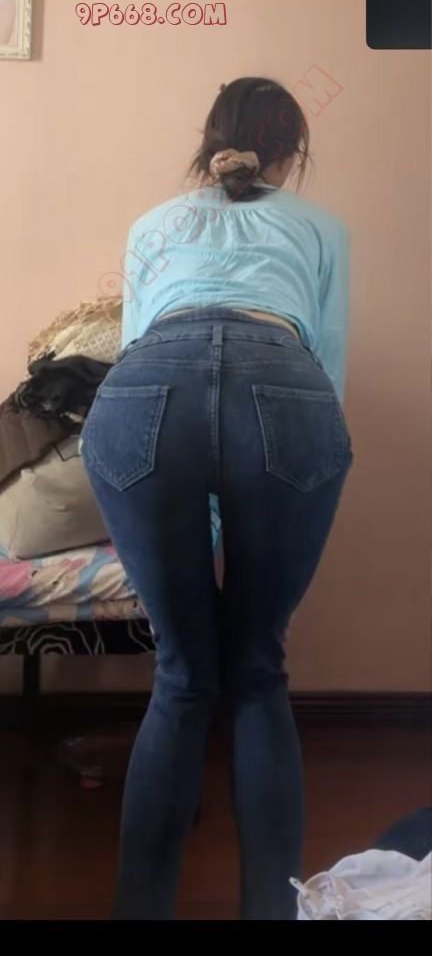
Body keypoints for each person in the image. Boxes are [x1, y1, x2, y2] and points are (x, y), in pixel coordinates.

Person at [81, 76, 354, 920]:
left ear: (209, 140)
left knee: (182, 674)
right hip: (286, 394)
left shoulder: (152, 225)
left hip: (142, 398)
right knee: (258, 671)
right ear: (292, 152)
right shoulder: (322, 228)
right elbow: (327, 368)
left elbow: (137, 348)